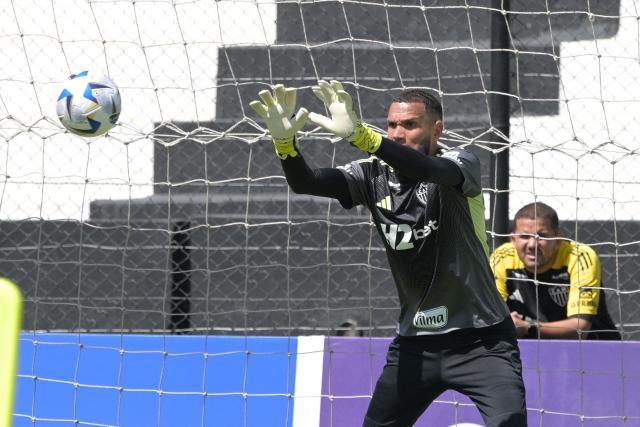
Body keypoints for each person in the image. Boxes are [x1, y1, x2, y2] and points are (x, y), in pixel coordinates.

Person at [250, 81, 527, 426]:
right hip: (416, 345)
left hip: (482, 340)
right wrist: (284, 144)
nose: (398, 133)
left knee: (510, 422)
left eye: (410, 125)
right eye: (392, 124)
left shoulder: (460, 164)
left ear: (436, 129)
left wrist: (365, 137)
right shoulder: (371, 175)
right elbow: (306, 182)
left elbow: (427, 170)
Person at [490, 202, 620, 340]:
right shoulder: (501, 257)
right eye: (524, 237)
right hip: (527, 349)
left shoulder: (580, 256)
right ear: (513, 239)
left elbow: (580, 328)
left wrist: (528, 327)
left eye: (542, 236)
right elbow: (493, 318)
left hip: (591, 349)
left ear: (558, 240)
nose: (532, 245)